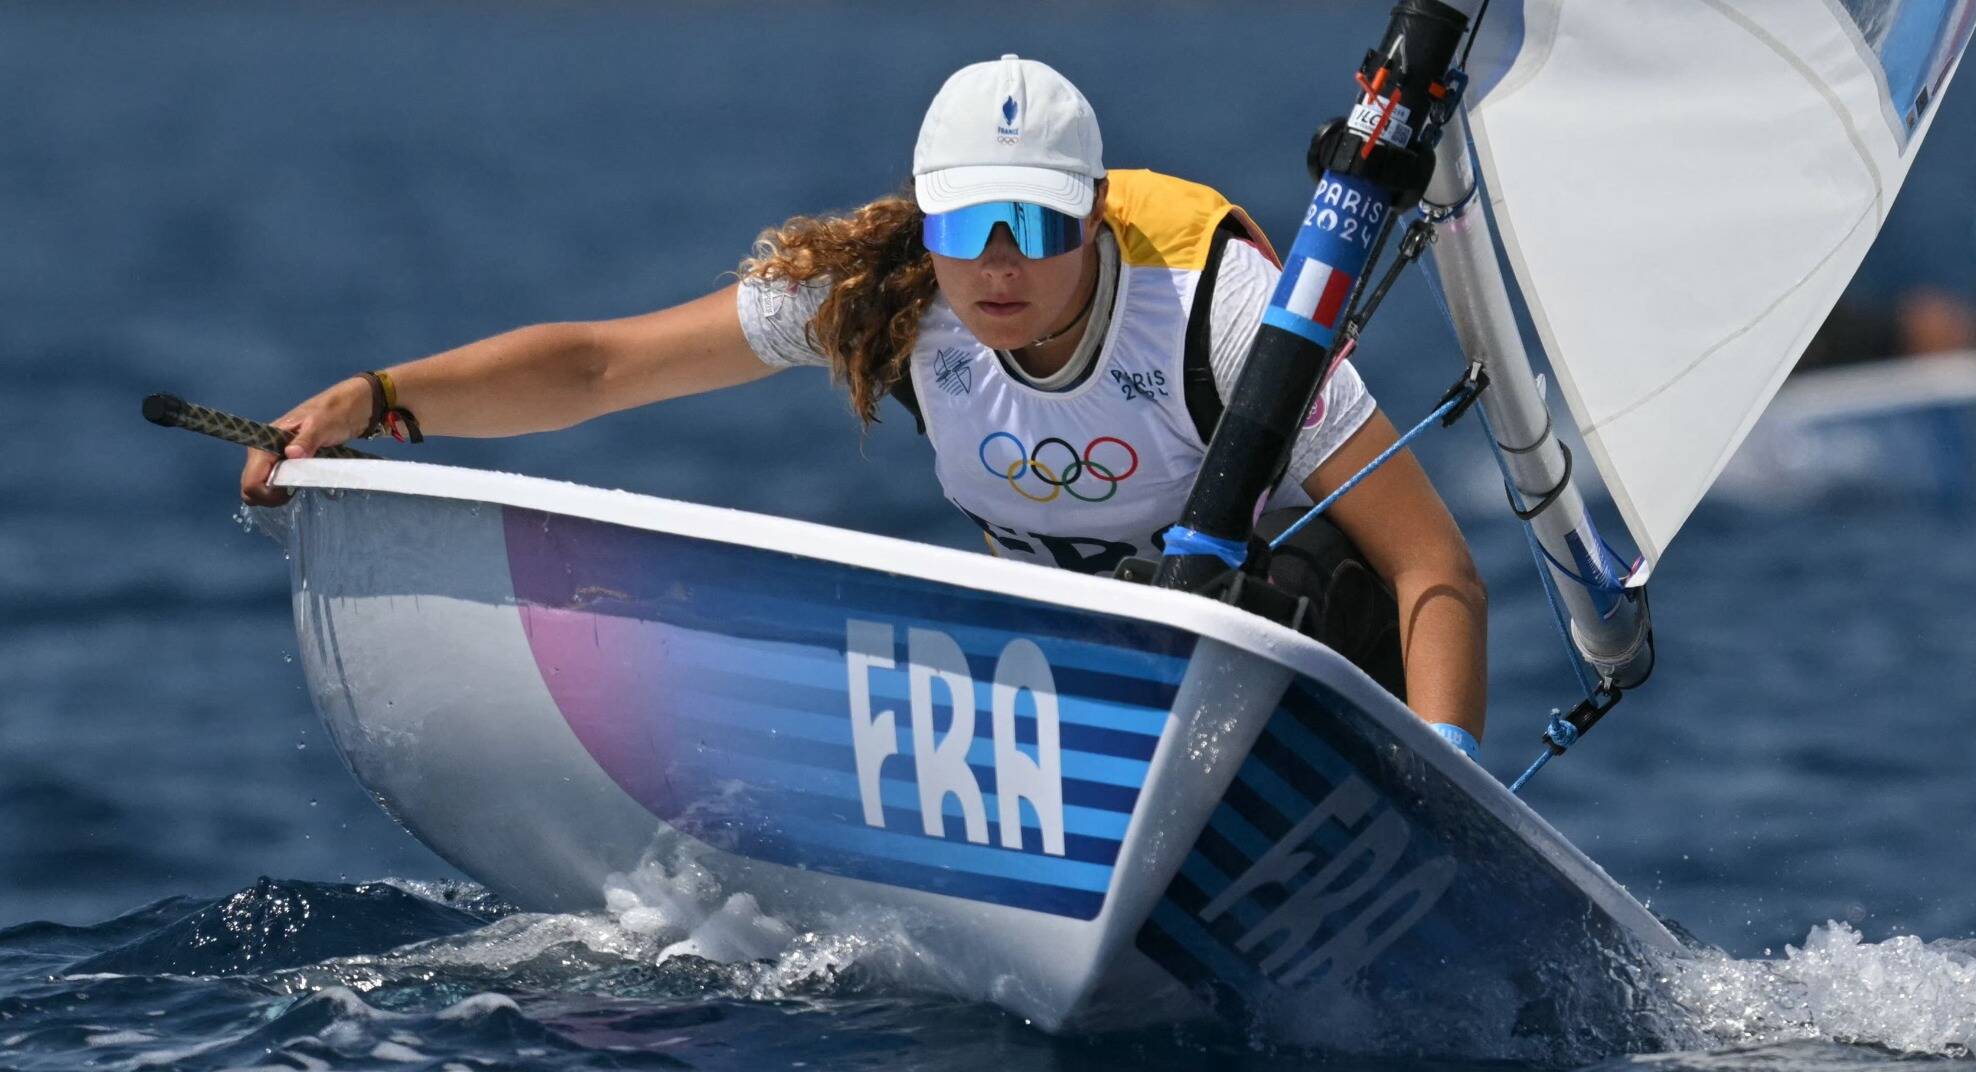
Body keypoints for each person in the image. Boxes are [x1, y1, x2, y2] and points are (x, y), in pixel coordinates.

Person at [241, 55, 1486, 758]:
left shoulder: (1221, 309)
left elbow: (1435, 573)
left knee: (1335, 593)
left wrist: (1449, 784)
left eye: (1037, 226)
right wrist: (382, 397)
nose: (997, 264)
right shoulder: (894, 297)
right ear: (922, 215)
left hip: (1290, 650)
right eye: (965, 224)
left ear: (1095, 213)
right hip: (1085, 662)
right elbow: (605, 366)